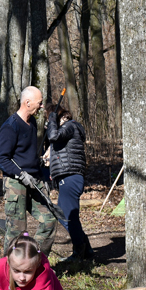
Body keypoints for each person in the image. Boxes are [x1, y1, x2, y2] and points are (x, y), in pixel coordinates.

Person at [0, 86, 57, 256]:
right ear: (27, 102)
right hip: (16, 184)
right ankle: (10, 270)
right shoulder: (10, 126)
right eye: (40, 102)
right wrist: (20, 174)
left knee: (49, 220)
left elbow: (28, 155)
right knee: (17, 232)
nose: (42, 106)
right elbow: (0, 159)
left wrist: (40, 174)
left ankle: (34, 260)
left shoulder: (33, 123)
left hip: (34, 179)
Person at [45, 105, 93, 262]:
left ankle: (80, 252)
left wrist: (52, 118)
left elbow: (53, 136)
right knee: (67, 216)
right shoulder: (68, 130)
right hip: (69, 178)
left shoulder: (70, 126)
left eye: (49, 118)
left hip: (71, 178)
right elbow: (57, 147)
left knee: (67, 217)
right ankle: (86, 250)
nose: (48, 123)